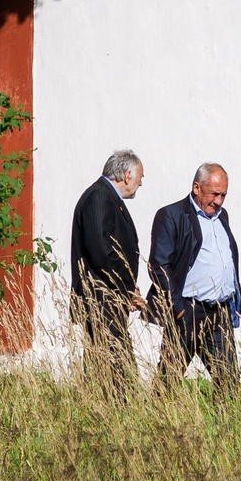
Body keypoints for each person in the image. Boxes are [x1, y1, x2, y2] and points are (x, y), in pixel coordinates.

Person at [148, 161, 241, 394]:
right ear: (196, 187)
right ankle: (158, 427)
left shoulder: (222, 217)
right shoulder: (171, 216)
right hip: (188, 312)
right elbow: (158, 265)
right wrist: (179, 308)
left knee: (229, 384)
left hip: (220, 313)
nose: (218, 201)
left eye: (223, 195)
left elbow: (226, 270)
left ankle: (224, 428)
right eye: (214, 194)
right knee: (167, 383)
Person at [68, 149, 146, 394]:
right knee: (115, 371)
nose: (141, 183)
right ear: (126, 174)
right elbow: (102, 251)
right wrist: (126, 287)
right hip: (101, 300)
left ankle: (106, 415)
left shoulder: (107, 198)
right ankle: (114, 417)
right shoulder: (99, 197)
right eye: (140, 177)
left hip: (109, 298)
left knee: (109, 367)